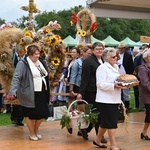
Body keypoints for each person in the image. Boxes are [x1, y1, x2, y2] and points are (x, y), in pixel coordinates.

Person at [7, 44, 50, 141]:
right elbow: (16, 77)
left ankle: (36, 129)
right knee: (30, 114)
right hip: (29, 92)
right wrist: (12, 91)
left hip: (42, 91)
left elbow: (45, 75)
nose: (37, 55)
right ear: (30, 54)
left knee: (43, 113)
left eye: (38, 53)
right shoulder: (23, 63)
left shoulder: (41, 62)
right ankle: (31, 133)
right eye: (35, 54)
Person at [76, 42, 107, 143]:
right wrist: (81, 93)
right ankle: (99, 136)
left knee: (98, 114)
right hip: (91, 91)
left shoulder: (103, 60)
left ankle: (85, 129)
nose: (100, 50)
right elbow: (84, 79)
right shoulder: (88, 62)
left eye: (101, 49)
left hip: (101, 91)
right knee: (98, 113)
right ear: (93, 50)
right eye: (97, 49)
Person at [93, 47, 122, 150]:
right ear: (107, 58)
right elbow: (100, 84)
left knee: (106, 122)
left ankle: (97, 140)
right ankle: (113, 145)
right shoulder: (102, 68)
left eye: (117, 56)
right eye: (114, 56)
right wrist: (113, 85)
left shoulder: (116, 67)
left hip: (114, 98)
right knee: (112, 123)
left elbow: (118, 80)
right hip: (105, 100)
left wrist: (124, 84)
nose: (116, 58)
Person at [137, 49, 150, 140]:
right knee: (149, 114)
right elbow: (145, 83)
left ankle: (144, 132)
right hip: (147, 95)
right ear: (147, 58)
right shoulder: (142, 68)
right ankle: (144, 131)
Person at [10, 43, 24, 126]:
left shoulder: (24, 57)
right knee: (15, 100)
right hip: (14, 78)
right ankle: (14, 118)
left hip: (22, 81)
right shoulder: (12, 55)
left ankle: (19, 119)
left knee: (21, 101)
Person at [117, 42, 134, 111]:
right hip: (117, 75)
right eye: (119, 48)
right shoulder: (116, 55)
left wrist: (127, 75)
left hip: (125, 75)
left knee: (126, 91)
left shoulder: (128, 56)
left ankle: (127, 106)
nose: (120, 49)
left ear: (124, 49)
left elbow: (131, 66)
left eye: (122, 48)